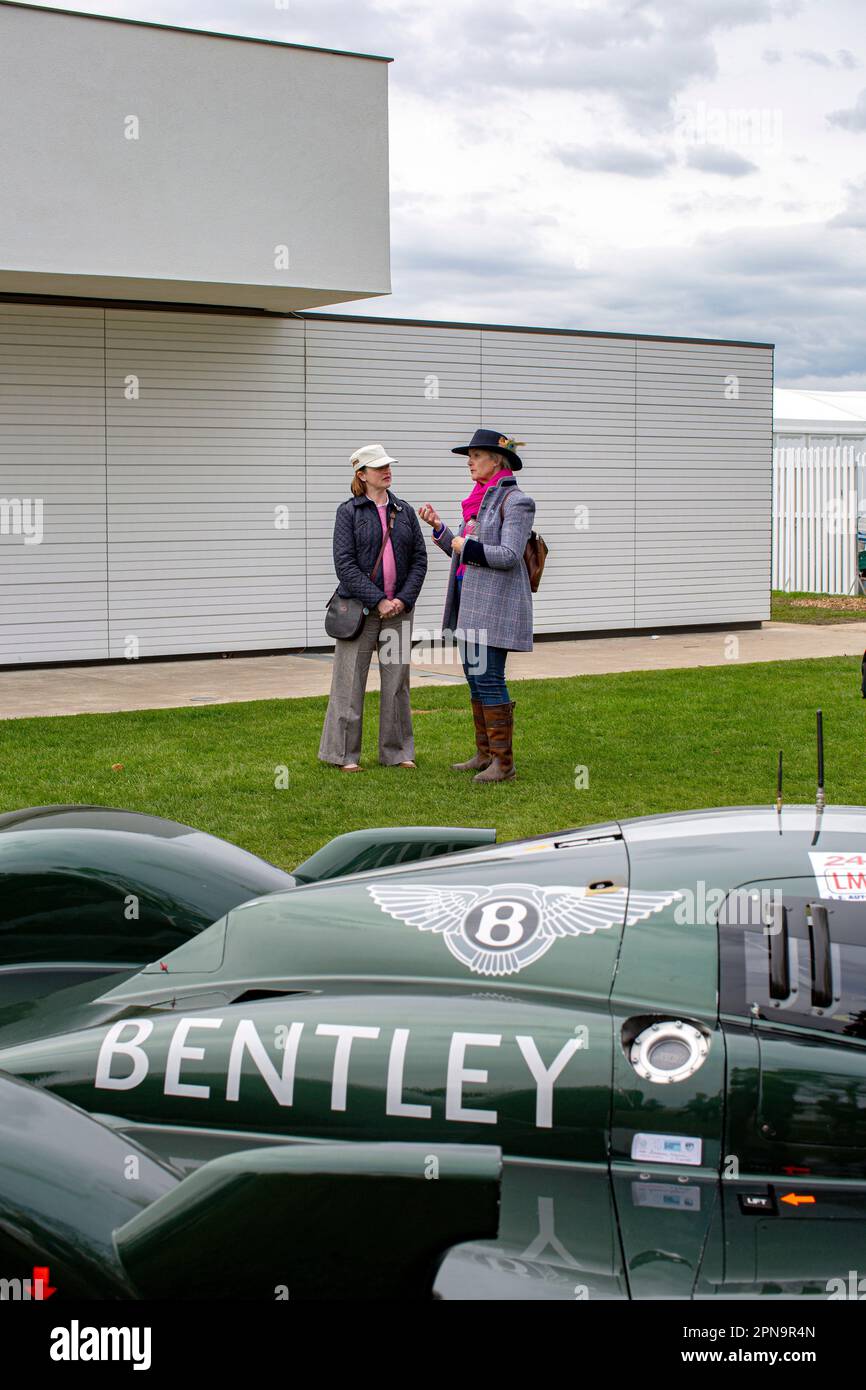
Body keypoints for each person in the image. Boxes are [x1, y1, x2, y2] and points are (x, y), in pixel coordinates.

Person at [418, 429, 535, 783]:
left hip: (496, 607)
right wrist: (440, 530)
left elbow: (509, 555)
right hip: (470, 605)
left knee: (490, 679)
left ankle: (504, 763)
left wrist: (460, 543)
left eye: (476, 456)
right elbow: (462, 550)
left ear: (496, 461)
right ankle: (486, 754)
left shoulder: (516, 501)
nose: (469, 462)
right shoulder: (478, 500)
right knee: (475, 680)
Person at [319, 443, 428, 771]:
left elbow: (419, 560)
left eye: (388, 465)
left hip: (399, 612)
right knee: (349, 683)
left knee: (397, 686)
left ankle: (396, 753)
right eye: (378, 467)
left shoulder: (405, 511)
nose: (386, 470)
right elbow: (345, 565)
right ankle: (342, 755)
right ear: (362, 475)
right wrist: (377, 600)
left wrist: (401, 600)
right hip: (361, 612)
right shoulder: (348, 512)